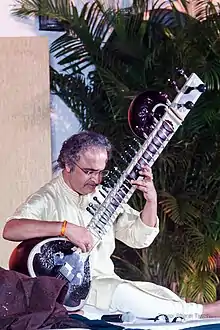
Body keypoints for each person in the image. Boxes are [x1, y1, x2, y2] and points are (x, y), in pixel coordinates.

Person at [3, 131, 220, 321]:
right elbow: (11, 229)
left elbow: (138, 238)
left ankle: (187, 310)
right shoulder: (48, 197)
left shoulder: (103, 197)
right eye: (89, 171)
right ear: (67, 165)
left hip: (106, 283)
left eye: (101, 172)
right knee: (122, 292)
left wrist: (151, 200)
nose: (97, 180)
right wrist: (64, 228)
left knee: (159, 293)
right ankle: (203, 311)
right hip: (71, 291)